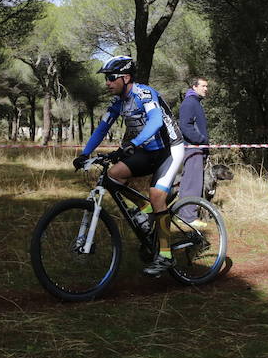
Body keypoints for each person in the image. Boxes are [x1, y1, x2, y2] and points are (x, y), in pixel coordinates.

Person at [73, 56, 185, 277]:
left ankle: (165, 256)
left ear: (126, 77)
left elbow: (155, 121)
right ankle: (145, 210)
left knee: (157, 195)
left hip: (170, 149)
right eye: (106, 78)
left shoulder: (144, 93)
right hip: (148, 150)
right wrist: (85, 153)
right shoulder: (118, 103)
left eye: (111, 78)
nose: (107, 82)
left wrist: (132, 144)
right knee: (113, 175)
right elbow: (102, 128)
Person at [178, 77, 209, 228]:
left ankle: (184, 214)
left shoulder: (195, 102)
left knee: (190, 181)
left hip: (196, 147)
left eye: (206, 86)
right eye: (203, 86)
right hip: (192, 148)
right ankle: (188, 217)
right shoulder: (190, 102)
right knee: (192, 182)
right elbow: (185, 126)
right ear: (194, 86)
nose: (206, 89)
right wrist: (201, 140)